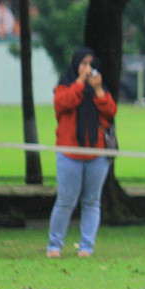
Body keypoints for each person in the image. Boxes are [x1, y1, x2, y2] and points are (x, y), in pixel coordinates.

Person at [47, 47, 117, 258]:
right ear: (76, 65)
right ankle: (54, 246)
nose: (88, 69)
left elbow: (110, 111)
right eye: (83, 64)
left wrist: (97, 90)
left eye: (91, 64)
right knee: (66, 200)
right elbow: (65, 103)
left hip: (96, 155)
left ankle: (86, 247)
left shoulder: (100, 88)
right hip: (69, 153)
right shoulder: (64, 86)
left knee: (92, 202)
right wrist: (79, 81)